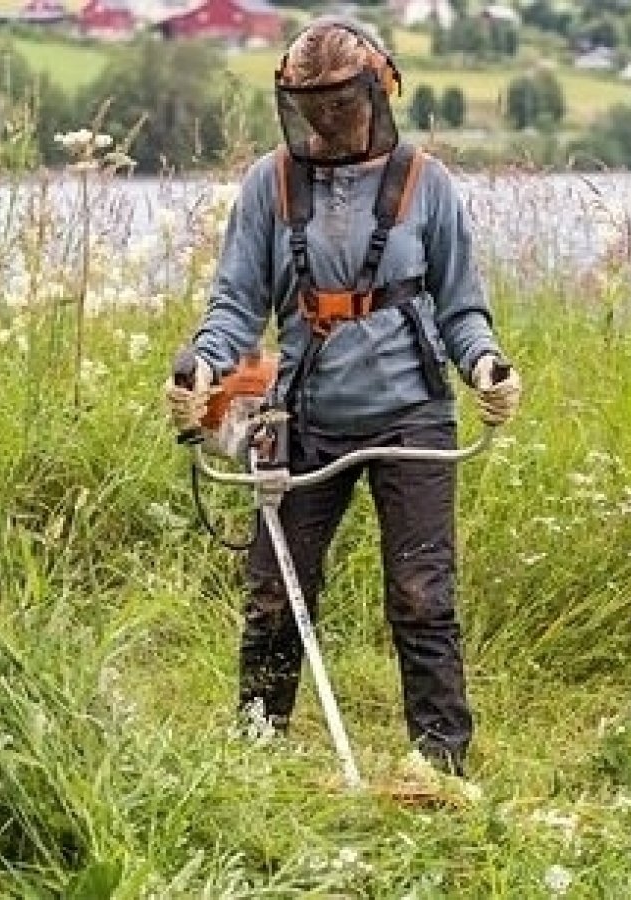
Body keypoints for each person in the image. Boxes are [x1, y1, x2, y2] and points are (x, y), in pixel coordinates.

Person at [164, 16, 522, 775]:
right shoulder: (273, 182)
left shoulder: (427, 184)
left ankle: (440, 762)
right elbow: (236, 303)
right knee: (272, 594)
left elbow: (461, 307)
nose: (326, 127)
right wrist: (201, 368)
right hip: (306, 415)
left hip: (412, 414)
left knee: (423, 594)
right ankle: (259, 753)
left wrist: (487, 366)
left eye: (340, 109)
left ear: (377, 92)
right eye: (312, 111)